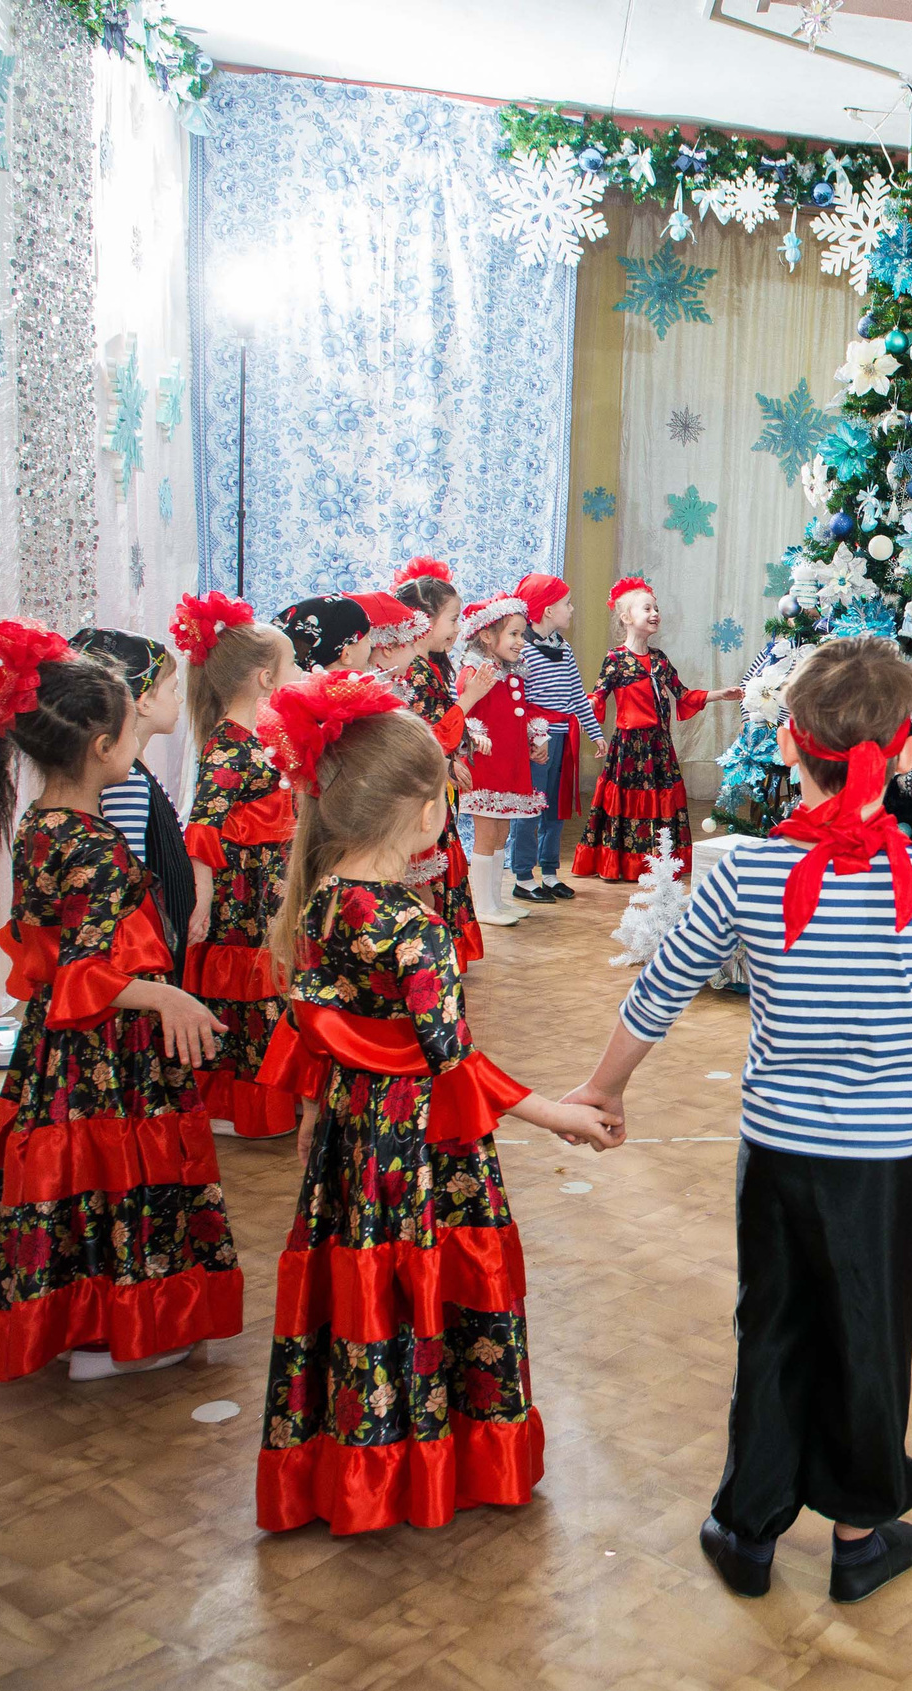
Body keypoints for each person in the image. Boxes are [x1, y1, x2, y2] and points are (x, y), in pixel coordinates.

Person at [563, 637, 912, 1606]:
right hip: (883, 1159)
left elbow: (657, 991)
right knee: (868, 1328)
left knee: (772, 1324)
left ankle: (749, 1526)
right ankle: (862, 1530)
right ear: (903, 754)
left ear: (790, 743)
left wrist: (602, 1089)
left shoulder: (744, 874)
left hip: (777, 1150)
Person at [248, 672, 618, 1536]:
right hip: (418, 1154)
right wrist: (556, 1113)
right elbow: (452, 1062)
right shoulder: (412, 927)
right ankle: (428, 1467)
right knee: (424, 1283)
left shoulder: (321, 902)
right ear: (425, 813)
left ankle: (357, 1467)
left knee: (365, 1289)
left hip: (352, 1144)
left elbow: (326, 1029)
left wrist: (313, 1111)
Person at [0, 620, 239, 1383]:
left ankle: (77, 1326)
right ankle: (113, 1337)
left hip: (57, 1053)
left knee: (70, 1185)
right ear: (105, 747)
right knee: (117, 1184)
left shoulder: (39, 827)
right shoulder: (93, 845)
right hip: (108, 1054)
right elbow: (88, 971)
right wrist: (167, 996)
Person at [173, 592, 303, 1141]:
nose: (297, 672)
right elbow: (205, 822)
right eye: (290, 665)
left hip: (266, 884)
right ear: (265, 679)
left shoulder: (255, 736)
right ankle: (237, 1106)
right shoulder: (229, 744)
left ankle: (269, 1096)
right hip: (240, 893)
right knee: (245, 993)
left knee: (267, 988)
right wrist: (203, 896)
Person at [573, 576, 741, 882]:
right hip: (628, 748)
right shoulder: (615, 659)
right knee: (627, 801)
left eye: (656, 608)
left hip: (659, 747)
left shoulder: (660, 660)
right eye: (647, 608)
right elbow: (595, 698)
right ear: (626, 618)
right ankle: (622, 864)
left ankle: (657, 863)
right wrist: (571, 706)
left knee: (660, 802)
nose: (655, 613)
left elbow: (684, 695)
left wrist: (720, 695)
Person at [69, 627, 195, 947]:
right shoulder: (125, 784)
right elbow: (127, 886)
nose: (179, 699)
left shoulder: (135, 774)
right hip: (145, 947)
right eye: (172, 689)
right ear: (144, 701)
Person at [394, 565, 492, 967]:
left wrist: (453, 761)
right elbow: (428, 737)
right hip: (419, 795)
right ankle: (425, 958)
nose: (457, 627)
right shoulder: (415, 672)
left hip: (435, 789)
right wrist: (468, 700)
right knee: (425, 878)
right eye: (452, 618)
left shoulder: (429, 667)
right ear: (423, 620)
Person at [510, 574, 604, 904]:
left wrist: (595, 733)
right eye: (567, 603)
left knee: (556, 809)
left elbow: (578, 695)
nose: (572, 608)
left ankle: (549, 873)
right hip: (536, 741)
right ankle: (522, 875)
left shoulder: (563, 647)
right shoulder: (523, 651)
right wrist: (534, 736)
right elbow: (517, 701)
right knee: (529, 808)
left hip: (563, 739)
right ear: (548, 610)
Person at [455, 596, 542, 929]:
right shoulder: (475, 671)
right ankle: (483, 904)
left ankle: (495, 899)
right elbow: (464, 709)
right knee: (486, 834)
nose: (522, 642)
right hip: (487, 765)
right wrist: (474, 735)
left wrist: (536, 736)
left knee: (502, 831)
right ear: (488, 637)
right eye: (515, 634)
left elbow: (518, 714)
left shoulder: (511, 673)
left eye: (523, 634)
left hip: (510, 763)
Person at [273, 594, 372, 674]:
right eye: (367, 638)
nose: (370, 643)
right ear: (346, 654)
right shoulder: (357, 697)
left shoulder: (290, 695)